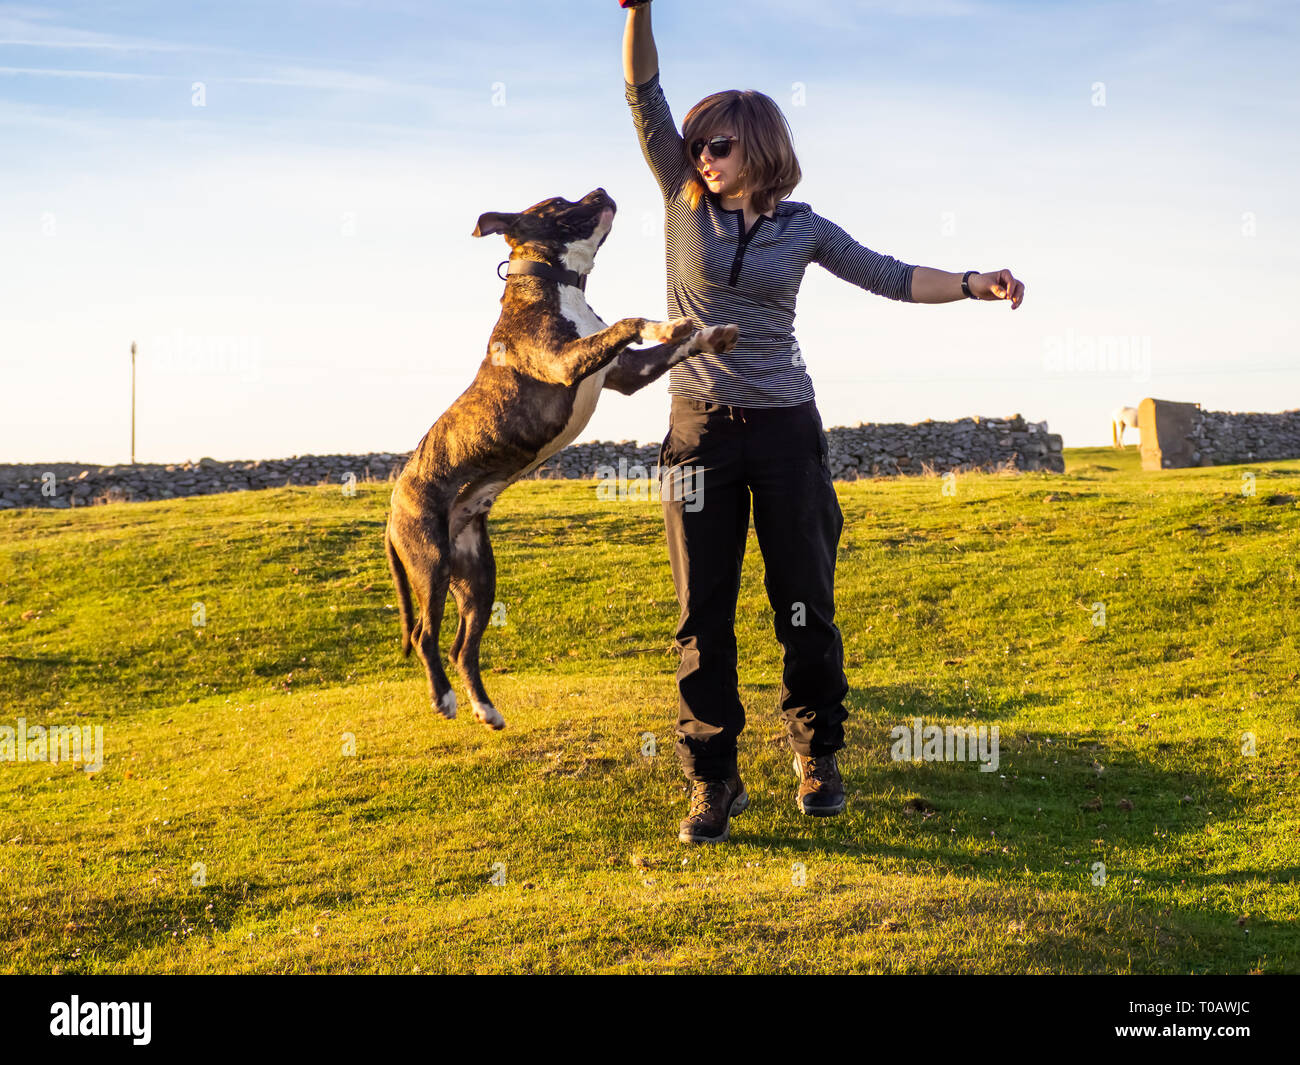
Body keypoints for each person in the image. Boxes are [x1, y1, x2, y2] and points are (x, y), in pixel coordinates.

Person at [620, 2, 1025, 844]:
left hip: (785, 430)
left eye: (719, 145)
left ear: (758, 148)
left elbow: (887, 273)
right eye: (697, 145)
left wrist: (975, 280)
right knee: (703, 612)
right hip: (698, 429)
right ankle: (714, 780)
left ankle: (817, 756)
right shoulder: (680, 197)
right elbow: (642, 93)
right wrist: (642, 9)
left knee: (804, 598)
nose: (703, 156)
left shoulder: (804, 230)